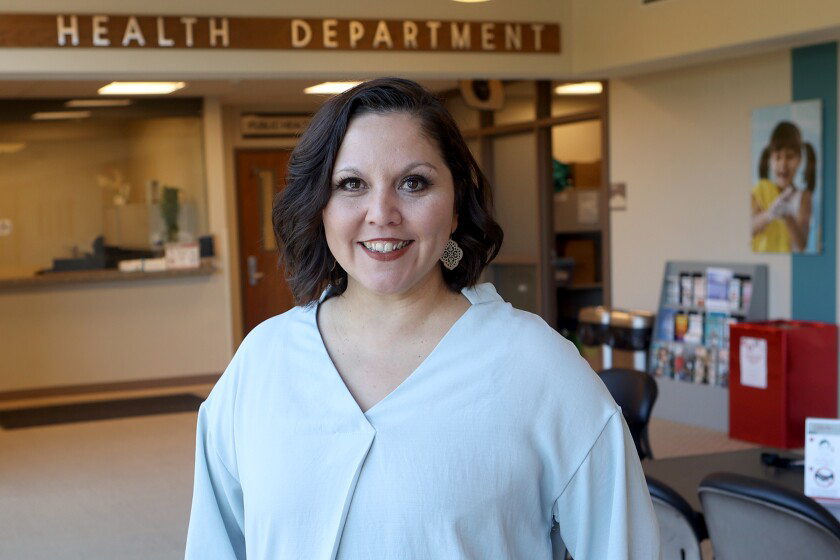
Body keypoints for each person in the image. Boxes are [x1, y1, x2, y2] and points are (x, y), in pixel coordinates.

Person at [185, 78, 659, 559]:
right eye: (352, 184)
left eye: (414, 183)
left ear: (455, 207)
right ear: (320, 207)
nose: (381, 213)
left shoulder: (537, 365)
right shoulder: (263, 362)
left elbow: (623, 546)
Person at [751, 120, 816, 253]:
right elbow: (748, 230)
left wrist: (787, 216)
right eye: (777, 157)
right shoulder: (759, 190)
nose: (783, 164)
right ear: (769, 160)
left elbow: (802, 245)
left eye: (790, 157)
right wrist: (769, 214)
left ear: (799, 159)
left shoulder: (803, 196)